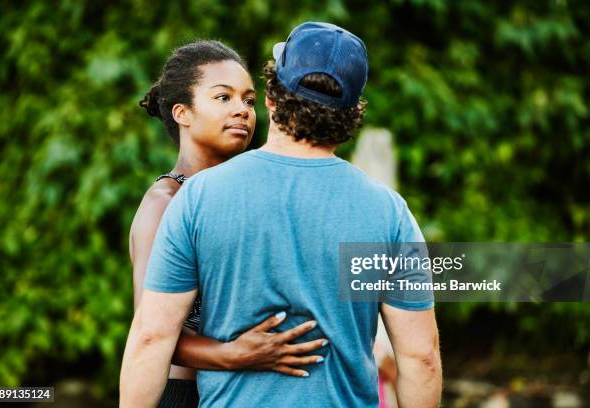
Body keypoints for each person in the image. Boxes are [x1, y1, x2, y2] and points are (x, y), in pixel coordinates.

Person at [121, 23, 442, 407]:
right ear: (353, 113)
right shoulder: (390, 212)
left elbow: (151, 338)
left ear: (270, 98)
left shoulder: (197, 199)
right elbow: (420, 357)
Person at [128, 40, 328, 407]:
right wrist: (237, 354)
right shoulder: (166, 203)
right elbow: (151, 334)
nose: (242, 111)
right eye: (224, 98)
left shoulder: (247, 194)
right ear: (182, 113)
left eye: (249, 101)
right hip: (183, 394)